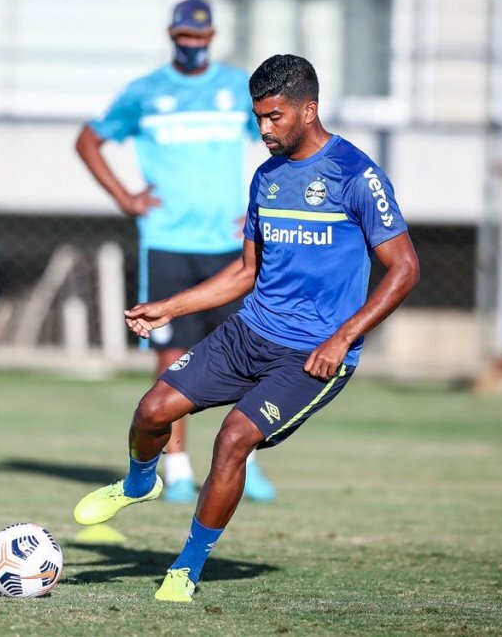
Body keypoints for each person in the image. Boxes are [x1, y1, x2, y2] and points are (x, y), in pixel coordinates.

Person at [73, 54, 420, 602]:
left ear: (309, 109)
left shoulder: (357, 175)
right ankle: (141, 482)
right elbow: (246, 272)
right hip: (250, 332)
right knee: (151, 411)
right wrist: (171, 308)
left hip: (312, 356)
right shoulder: (266, 178)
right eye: (258, 117)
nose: (263, 130)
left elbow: (405, 269)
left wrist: (343, 337)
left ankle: (186, 567)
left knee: (233, 440)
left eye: (275, 117)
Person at [76, 0, 275, 504]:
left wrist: (263, 207)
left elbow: (283, 139)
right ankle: (179, 468)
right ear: (171, 36)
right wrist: (125, 198)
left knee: (248, 351)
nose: (191, 46)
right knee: (172, 354)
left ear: (212, 38)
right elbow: (88, 140)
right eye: (184, 37)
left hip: (231, 246)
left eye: (200, 38)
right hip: (168, 241)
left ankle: (243, 462)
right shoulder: (145, 92)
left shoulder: (236, 87)